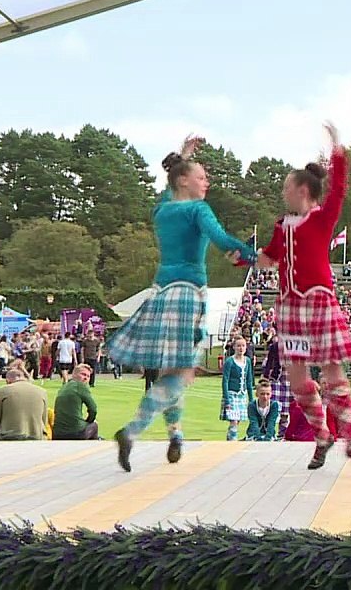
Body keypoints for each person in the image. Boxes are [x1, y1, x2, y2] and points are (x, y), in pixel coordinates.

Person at [109, 134, 258, 471]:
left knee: (170, 373)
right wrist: (255, 256)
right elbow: (221, 239)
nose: (207, 182)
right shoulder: (197, 209)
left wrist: (186, 154)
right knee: (183, 373)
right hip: (189, 294)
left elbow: (168, 189)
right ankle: (132, 431)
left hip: (160, 292)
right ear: (184, 180)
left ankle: (176, 434)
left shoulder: (162, 209)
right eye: (202, 176)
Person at [256, 123, 351, 475]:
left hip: (318, 301)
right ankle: (322, 435)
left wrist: (337, 150)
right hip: (289, 305)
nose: (283, 191)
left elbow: (340, 188)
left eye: (287, 186)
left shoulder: (322, 218)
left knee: (334, 374)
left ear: (303, 189)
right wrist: (245, 255)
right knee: (298, 380)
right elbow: (270, 256)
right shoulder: (281, 226)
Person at [0, 367, 49, 439]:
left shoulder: (2, 391)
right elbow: (44, 421)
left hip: (10, 439)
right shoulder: (42, 391)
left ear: (7, 381)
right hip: (37, 438)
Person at [222, 337, 255, 441]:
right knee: (234, 420)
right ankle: (232, 440)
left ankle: (230, 437)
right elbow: (225, 380)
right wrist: (226, 398)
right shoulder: (230, 361)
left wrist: (251, 399)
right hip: (232, 394)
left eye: (243, 346)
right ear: (234, 347)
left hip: (242, 394)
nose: (241, 348)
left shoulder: (248, 361)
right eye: (238, 346)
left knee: (239, 419)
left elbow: (249, 380)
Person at [53, 364, 98, 440]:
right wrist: (88, 422)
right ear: (74, 374)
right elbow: (93, 409)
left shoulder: (64, 387)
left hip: (57, 433)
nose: (85, 378)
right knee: (95, 425)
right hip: (75, 433)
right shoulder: (80, 386)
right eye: (83, 374)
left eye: (88, 376)